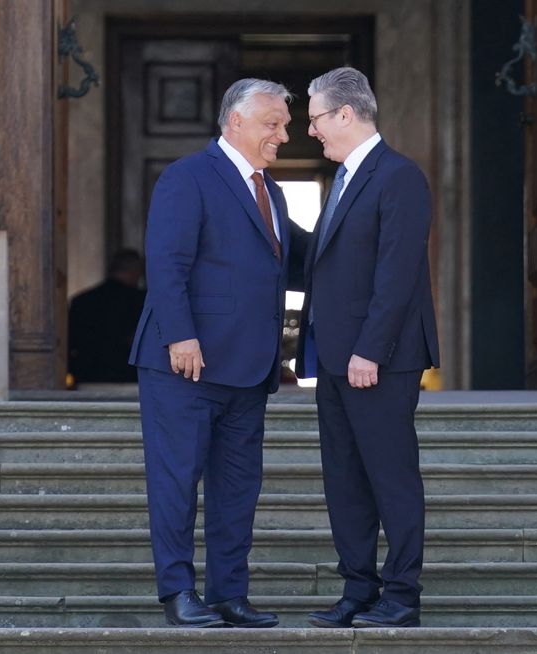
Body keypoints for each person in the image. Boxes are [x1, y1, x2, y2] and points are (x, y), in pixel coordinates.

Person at [129, 78, 308, 628]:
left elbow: (303, 260)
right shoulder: (188, 177)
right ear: (235, 122)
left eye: (285, 124)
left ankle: (230, 593)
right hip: (186, 363)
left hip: (250, 368)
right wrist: (181, 336)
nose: (283, 134)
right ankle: (178, 592)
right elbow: (166, 263)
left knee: (237, 490)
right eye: (272, 124)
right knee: (176, 482)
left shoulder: (272, 192)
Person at [296, 67, 440, 629]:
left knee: (390, 475)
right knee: (345, 478)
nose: (311, 131)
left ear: (346, 114)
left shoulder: (399, 176)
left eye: (315, 119)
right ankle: (358, 588)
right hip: (334, 357)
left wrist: (370, 351)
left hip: (378, 359)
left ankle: (401, 595)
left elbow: (397, 273)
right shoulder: (347, 177)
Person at [67, 249, 146, 384]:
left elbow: (70, 341)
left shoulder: (82, 301)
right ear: (136, 271)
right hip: (128, 376)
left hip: (86, 375)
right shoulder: (141, 301)